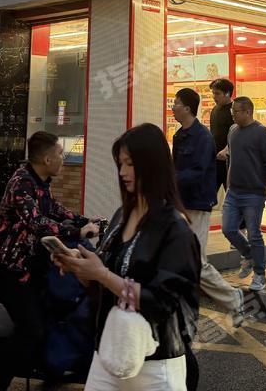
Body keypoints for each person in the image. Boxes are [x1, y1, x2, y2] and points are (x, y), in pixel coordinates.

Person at [53, 123, 200, 391]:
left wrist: (102, 274)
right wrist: (81, 267)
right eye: (120, 164)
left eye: (130, 164)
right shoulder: (121, 216)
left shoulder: (175, 228)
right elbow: (104, 282)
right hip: (109, 351)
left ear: (153, 165)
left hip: (155, 362)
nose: (122, 172)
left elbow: (162, 302)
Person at [0, 130, 96, 382]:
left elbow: (54, 209)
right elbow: (36, 221)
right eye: (60, 154)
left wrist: (86, 220)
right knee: (31, 330)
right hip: (8, 271)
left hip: (30, 266)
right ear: (47, 159)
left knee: (55, 310)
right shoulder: (21, 183)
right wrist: (77, 231)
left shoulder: (39, 182)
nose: (63, 159)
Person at [171, 88, 245, 325]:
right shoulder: (178, 136)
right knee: (181, 258)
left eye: (176, 103)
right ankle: (180, 306)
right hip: (180, 204)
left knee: (196, 261)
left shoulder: (203, 137)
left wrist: (171, 179)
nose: (173, 107)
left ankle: (233, 299)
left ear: (187, 108)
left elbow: (200, 171)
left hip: (197, 204)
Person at [218, 97, 266, 292]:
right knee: (228, 229)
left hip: (254, 193)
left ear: (248, 112)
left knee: (254, 233)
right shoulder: (232, 131)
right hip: (234, 191)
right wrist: (228, 184)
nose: (232, 115)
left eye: (236, 112)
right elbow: (231, 159)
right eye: (232, 111)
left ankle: (260, 274)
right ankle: (249, 255)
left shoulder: (262, 132)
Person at [208, 79, 235, 194]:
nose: (214, 97)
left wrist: (227, 149)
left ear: (227, 93)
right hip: (215, 160)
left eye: (217, 93)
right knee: (208, 195)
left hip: (230, 161)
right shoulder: (215, 110)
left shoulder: (235, 110)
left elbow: (238, 134)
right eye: (213, 93)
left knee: (230, 194)